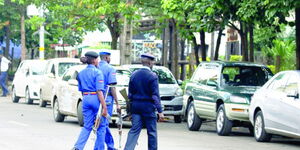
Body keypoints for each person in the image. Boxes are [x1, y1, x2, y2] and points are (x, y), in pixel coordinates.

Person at [124, 53, 164, 150]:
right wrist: (160, 111)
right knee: (152, 132)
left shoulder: (133, 75)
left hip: (136, 107)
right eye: (153, 61)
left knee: (134, 130)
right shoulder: (152, 76)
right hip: (148, 108)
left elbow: (130, 95)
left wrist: (129, 111)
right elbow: (155, 95)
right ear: (150, 63)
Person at [73, 51, 108, 150]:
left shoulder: (81, 73)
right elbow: (99, 91)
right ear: (94, 60)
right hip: (96, 99)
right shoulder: (98, 72)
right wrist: (104, 107)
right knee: (101, 126)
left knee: (87, 126)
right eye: (97, 59)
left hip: (85, 98)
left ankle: (78, 147)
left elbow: (80, 89)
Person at [98, 51, 120, 150]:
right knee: (104, 124)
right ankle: (106, 147)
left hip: (96, 98)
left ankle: (110, 146)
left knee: (101, 123)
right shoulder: (110, 68)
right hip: (107, 98)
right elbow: (112, 87)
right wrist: (117, 102)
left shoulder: (96, 67)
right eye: (109, 57)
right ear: (107, 58)